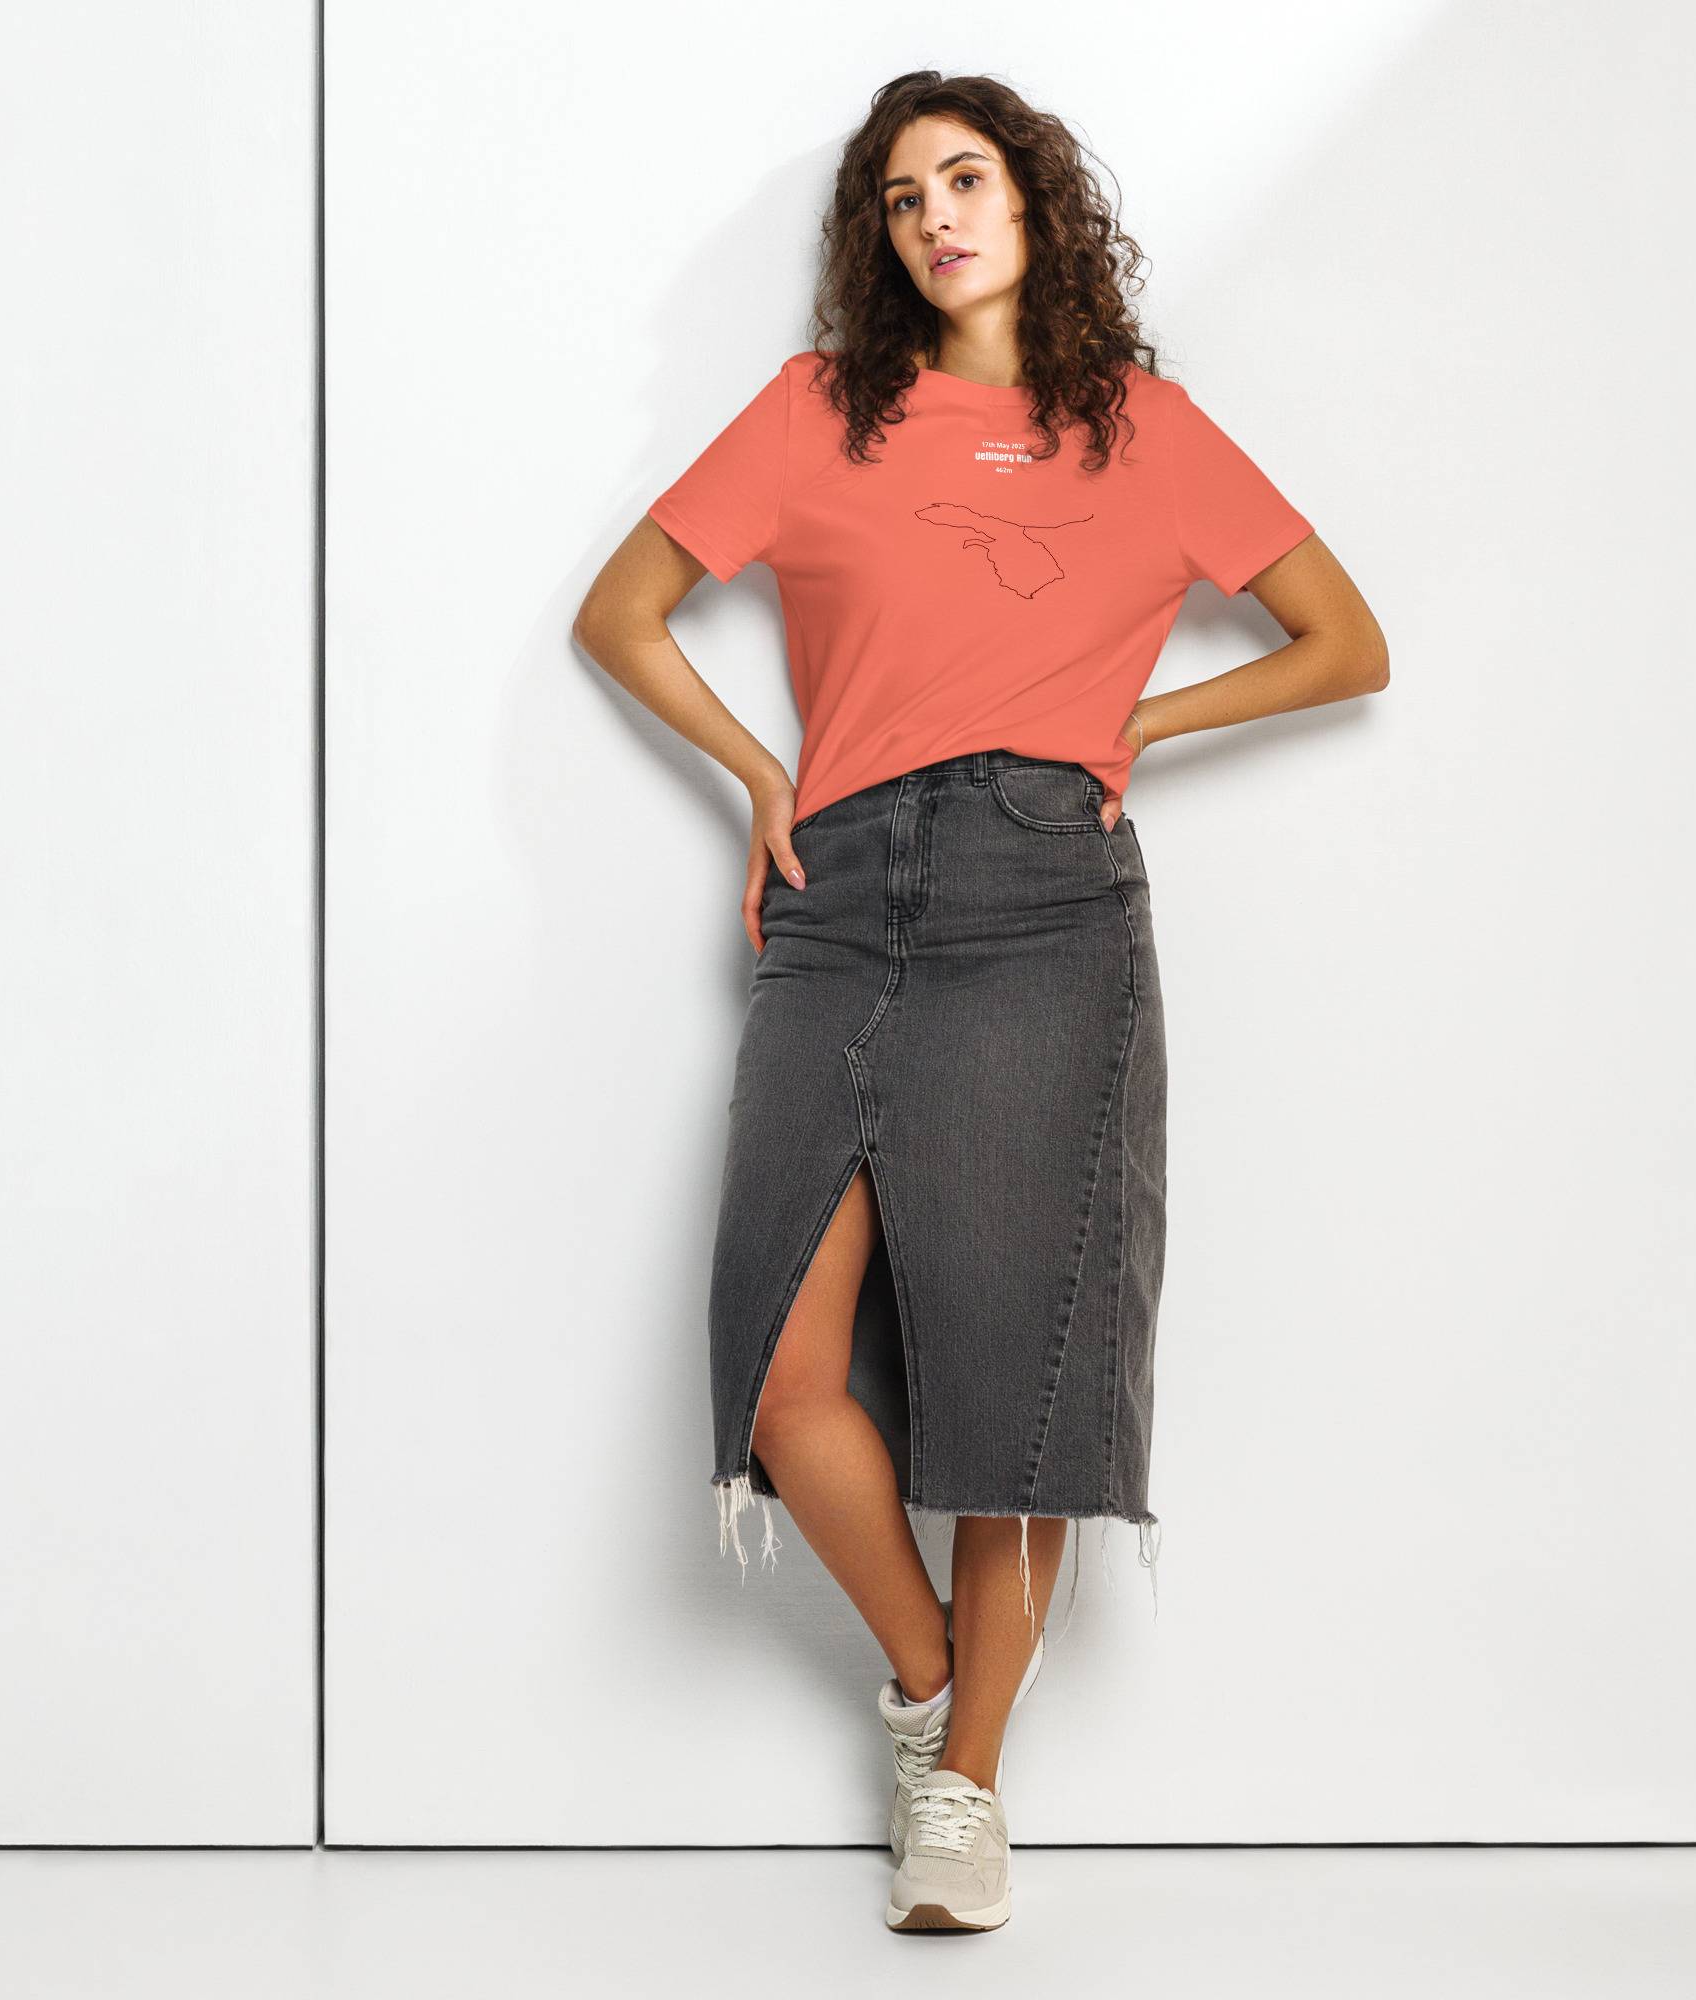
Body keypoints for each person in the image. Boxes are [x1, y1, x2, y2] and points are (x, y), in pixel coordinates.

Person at [573, 68, 1388, 1934]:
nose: (934, 216)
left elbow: (1347, 641)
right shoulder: (812, 416)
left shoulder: (1146, 430)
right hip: (842, 893)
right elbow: (623, 612)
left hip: (1046, 895)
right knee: (784, 1370)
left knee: (1019, 1377)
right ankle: (935, 1685)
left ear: (1039, 203)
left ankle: (967, 1796)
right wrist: (761, 781)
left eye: (967, 178)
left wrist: (1131, 727)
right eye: (897, 195)